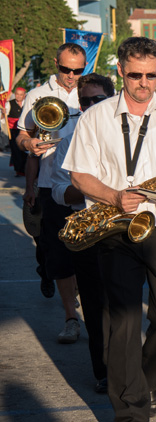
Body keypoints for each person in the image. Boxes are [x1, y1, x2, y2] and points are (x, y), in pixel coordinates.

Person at [63, 37, 156, 420]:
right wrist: (112, 196)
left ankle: (150, 378)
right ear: (121, 72)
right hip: (116, 227)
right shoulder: (95, 117)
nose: (145, 83)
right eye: (137, 75)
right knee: (122, 322)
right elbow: (79, 173)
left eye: (153, 75)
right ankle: (130, 409)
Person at [50, 73, 115, 394]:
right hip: (87, 225)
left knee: (127, 302)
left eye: (97, 99)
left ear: (111, 99)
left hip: (128, 227)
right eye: (85, 100)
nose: (90, 106)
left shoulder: (126, 133)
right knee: (94, 302)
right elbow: (59, 191)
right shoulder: (68, 137)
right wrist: (88, 190)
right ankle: (104, 370)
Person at [17, 43, 84, 344]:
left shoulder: (90, 93)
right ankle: (71, 317)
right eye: (66, 69)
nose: (71, 76)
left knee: (84, 252)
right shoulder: (36, 95)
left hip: (86, 186)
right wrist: (28, 145)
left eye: (78, 70)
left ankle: (77, 294)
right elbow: (22, 135)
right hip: (49, 184)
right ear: (56, 63)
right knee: (58, 253)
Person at [6, 86, 28, 176]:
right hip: (13, 131)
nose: (18, 96)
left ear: (24, 95)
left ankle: (26, 169)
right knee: (16, 150)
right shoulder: (9, 104)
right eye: (17, 94)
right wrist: (3, 114)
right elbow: (3, 117)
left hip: (25, 129)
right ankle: (18, 170)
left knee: (25, 149)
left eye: (21, 95)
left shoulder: (27, 103)